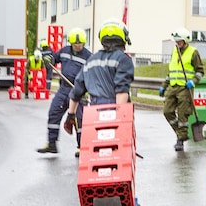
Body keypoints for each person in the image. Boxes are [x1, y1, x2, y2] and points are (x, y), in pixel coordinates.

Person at [65, 19, 133, 128]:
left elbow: (77, 91)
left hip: (94, 112)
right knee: (119, 144)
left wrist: (70, 115)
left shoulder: (91, 61)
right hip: (115, 110)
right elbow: (121, 91)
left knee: (92, 144)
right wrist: (119, 119)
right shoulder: (123, 59)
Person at [36, 27, 92, 156]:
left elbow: (91, 74)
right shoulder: (65, 51)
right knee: (54, 112)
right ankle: (51, 143)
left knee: (79, 119)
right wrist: (49, 59)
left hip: (79, 91)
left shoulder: (88, 56)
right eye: (75, 44)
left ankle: (81, 147)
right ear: (70, 43)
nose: (78, 46)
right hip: (64, 89)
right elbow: (54, 58)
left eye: (80, 44)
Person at [159, 27, 204, 151]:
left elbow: (200, 71)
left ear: (185, 41)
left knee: (183, 114)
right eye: (176, 41)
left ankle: (180, 140)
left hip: (185, 88)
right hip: (173, 86)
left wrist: (193, 81)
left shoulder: (193, 52)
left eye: (179, 41)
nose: (177, 43)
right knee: (167, 111)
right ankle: (180, 134)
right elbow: (171, 72)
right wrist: (164, 86)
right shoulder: (175, 52)